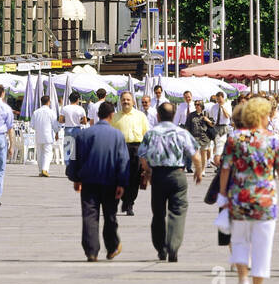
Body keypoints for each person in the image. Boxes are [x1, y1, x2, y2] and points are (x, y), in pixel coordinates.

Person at [218, 96, 279, 284]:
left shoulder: (235, 138)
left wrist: (222, 195)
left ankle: (243, 279)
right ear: (261, 115)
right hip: (265, 200)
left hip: (239, 198)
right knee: (263, 246)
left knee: (239, 241)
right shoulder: (273, 139)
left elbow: (225, 168)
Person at [138, 101, 204, 261]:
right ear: (174, 116)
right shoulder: (182, 133)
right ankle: (173, 247)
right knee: (178, 211)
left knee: (158, 213)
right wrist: (198, 171)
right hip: (177, 174)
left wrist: (148, 172)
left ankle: (161, 248)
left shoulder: (151, 134)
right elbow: (195, 155)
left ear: (158, 116)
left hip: (158, 175)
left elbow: (142, 157)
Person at [67, 100, 132, 261]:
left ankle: (91, 251)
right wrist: (122, 183)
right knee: (110, 215)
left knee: (90, 215)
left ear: (97, 114)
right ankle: (112, 246)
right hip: (110, 181)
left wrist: (75, 178)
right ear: (112, 115)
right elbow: (123, 160)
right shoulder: (117, 135)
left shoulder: (83, 134)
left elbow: (73, 158)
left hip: (89, 182)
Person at [110, 90, 150, 216]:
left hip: (137, 148)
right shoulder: (115, 117)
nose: (126, 102)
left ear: (133, 102)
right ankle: (122, 200)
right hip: (120, 148)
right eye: (123, 100)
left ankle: (130, 203)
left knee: (135, 177)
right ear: (120, 101)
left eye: (128, 99)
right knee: (121, 176)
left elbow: (147, 135)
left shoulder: (140, 116)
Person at [32, 95, 58, 177]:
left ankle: (41, 171)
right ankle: (45, 169)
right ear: (49, 102)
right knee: (48, 153)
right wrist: (57, 133)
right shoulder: (51, 112)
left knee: (40, 154)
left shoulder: (36, 112)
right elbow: (55, 125)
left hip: (38, 135)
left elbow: (32, 125)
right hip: (48, 136)